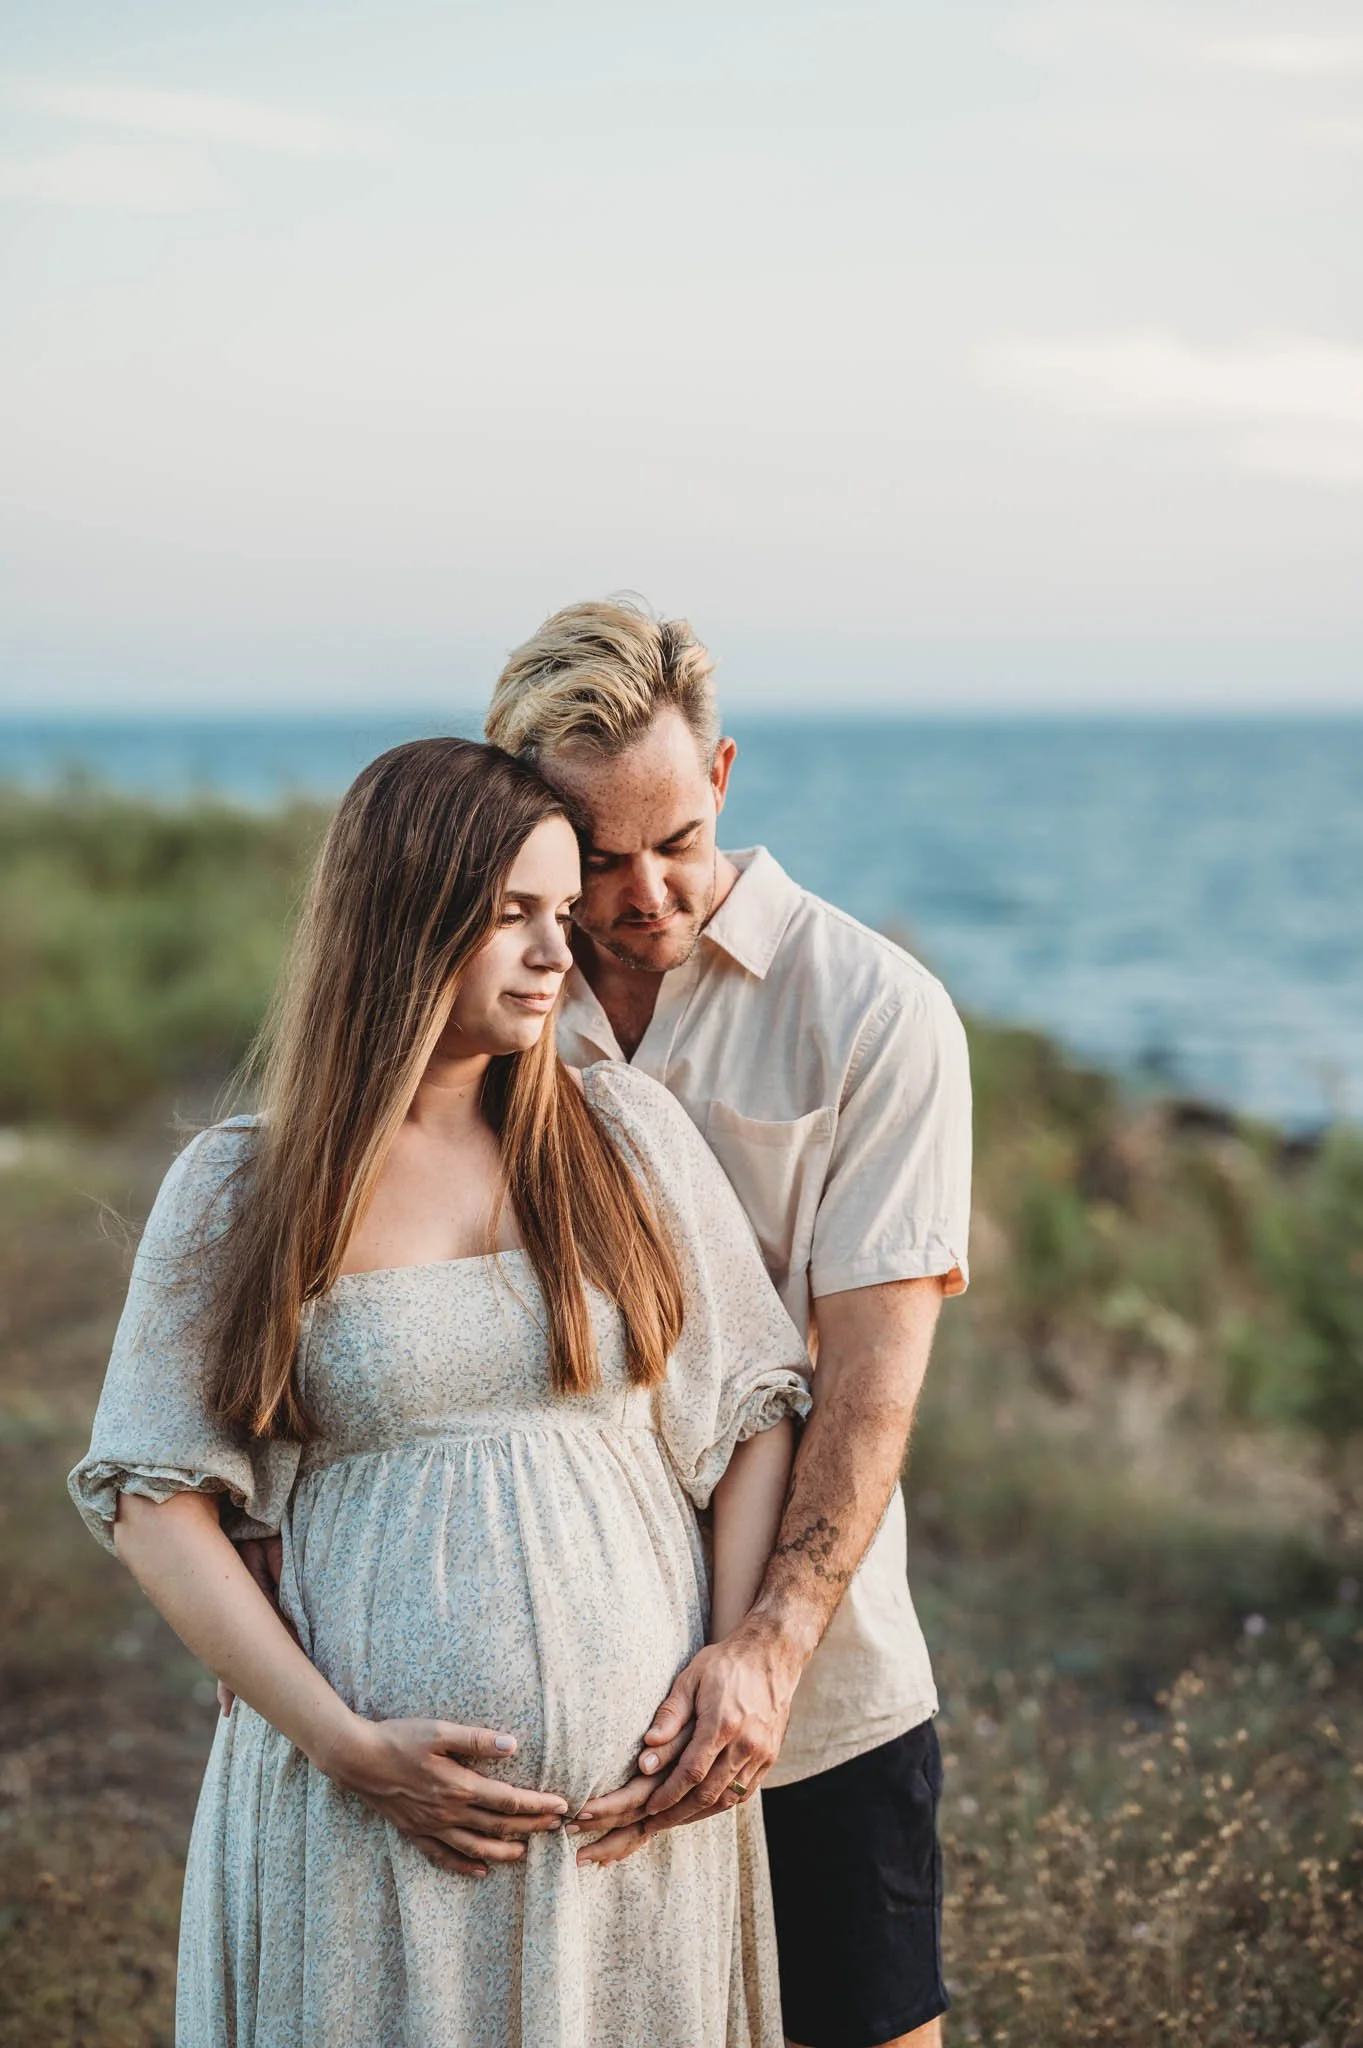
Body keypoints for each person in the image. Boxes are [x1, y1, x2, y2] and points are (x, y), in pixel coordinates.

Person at [69, 737, 812, 2048]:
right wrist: (342, 1745)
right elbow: (152, 1498)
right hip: (361, 1826)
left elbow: (753, 1407)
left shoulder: (624, 1137)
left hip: (629, 1846)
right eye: (511, 917)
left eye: (560, 916)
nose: (554, 954)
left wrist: (719, 1656)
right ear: (405, 921)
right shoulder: (245, 1189)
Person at [483, 602, 973, 2048]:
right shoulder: (483, 994)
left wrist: (766, 1651)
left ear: (727, 775)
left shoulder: (872, 1012)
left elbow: (870, 1378)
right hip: (560, 1696)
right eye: (597, 854)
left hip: (815, 1694)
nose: (641, 895)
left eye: (676, 839)